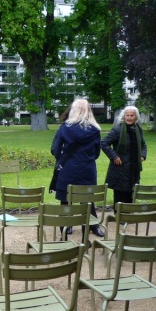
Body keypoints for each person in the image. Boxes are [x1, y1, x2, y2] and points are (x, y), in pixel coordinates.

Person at [51, 99, 104, 237]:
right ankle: (90, 227)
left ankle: (66, 226)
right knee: (87, 199)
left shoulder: (65, 128)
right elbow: (97, 153)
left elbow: (56, 150)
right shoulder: (95, 130)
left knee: (65, 198)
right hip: (87, 168)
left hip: (68, 168)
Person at [101, 106, 148, 209]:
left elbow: (143, 145)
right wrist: (114, 156)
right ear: (124, 116)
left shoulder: (137, 129)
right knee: (120, 193)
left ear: (136, 117)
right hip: (120, 167)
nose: (129, 118)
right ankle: (119, 217)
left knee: (131, 192)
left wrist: (143, 156)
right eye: (127, 115)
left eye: (132, 115)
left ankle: (128, 215)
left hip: (133, 168)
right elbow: (104, 143)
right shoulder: (117, 129)